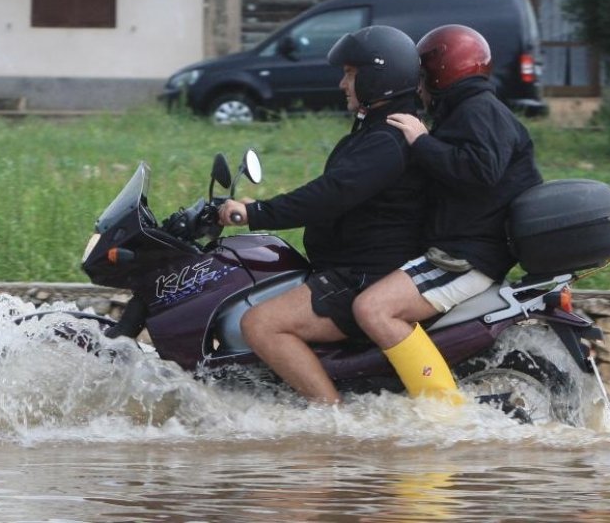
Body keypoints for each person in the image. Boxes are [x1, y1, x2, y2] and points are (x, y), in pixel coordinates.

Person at [216, 25, 428, 404]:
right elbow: (333, 190)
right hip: (349, 267)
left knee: (261, 324)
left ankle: (331, 418)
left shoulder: (386, 140)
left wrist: (252, 213)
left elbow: (328, 196)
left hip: (362, 275)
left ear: (379, 75)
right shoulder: (378, 130)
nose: (342, 83)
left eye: (350, 73)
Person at [352, 24, 543, 402]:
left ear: (439, 72)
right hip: (465, 249)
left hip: (464, 256)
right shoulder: (470, 109)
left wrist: (421, 142)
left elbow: (479, 171)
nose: (417, 86)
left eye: (421, 76)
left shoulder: (478, 111)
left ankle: (443, 415)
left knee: (374, 309)